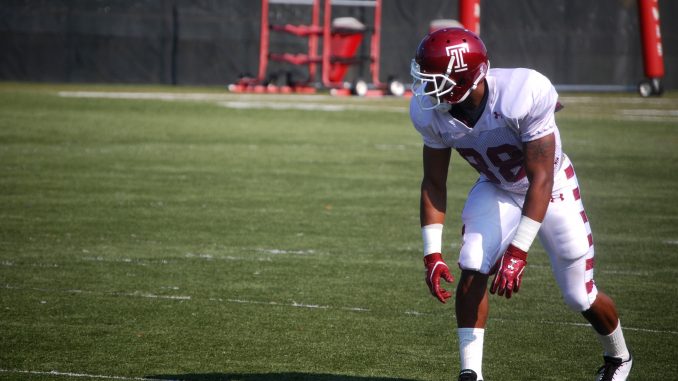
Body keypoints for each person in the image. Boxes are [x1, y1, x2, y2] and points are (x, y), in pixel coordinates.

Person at [410, 28, 632, 381]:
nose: (426, 86)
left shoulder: (521, 93)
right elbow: (434, 182)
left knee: (579, 295)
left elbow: (540, 178)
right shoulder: (432, 115)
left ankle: (619, 357)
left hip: (552, 185)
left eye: (435, 78)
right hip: (498, 185)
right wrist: (431, 253)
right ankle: (470, 374)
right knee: (472, 260)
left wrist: (518, 251)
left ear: (465, 75)